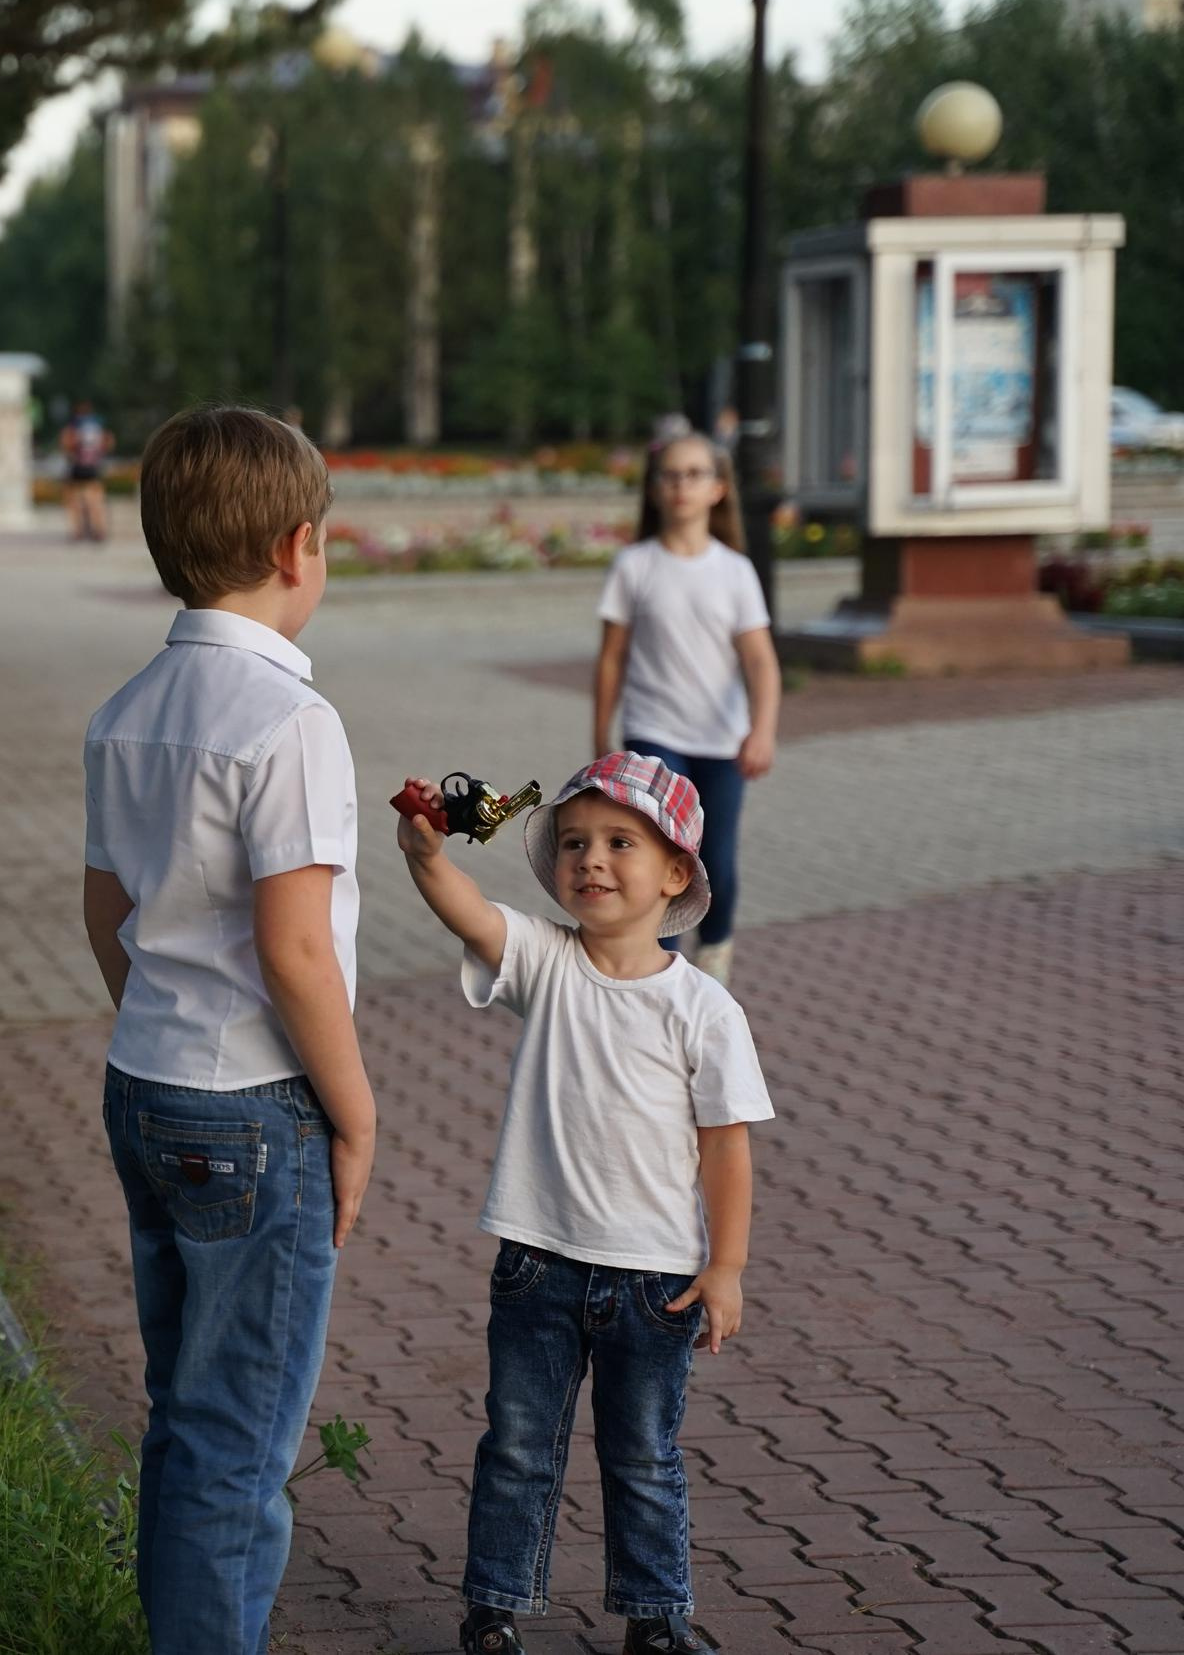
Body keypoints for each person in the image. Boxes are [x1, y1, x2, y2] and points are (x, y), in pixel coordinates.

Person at [82, 404, 374, 1655]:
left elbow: (108, 914)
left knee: (184, 1410)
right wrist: (354, 1116)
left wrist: (158, 1029)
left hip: (144, 1082)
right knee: (240, 1438)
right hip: (256, 1106)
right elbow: (295, 950)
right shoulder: (290, 722)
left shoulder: (128, 707)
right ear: (299, 546)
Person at [398, 751, 773, 1655]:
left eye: (619, 843)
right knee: (519, 1445)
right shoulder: (543, 959)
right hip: (539, 1262)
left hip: (658, 1279)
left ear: (676, 871)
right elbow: (473, 914)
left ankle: (655, 1618)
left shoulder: (704, 1011)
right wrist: (423, 857)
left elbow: (727, 1146)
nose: (591, 860)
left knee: (642, 1456)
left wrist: (726, 1266)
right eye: (574, 843)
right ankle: (493, 1607)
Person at [592, 433, 781, 986]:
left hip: (723, 741)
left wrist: (762, 731)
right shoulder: (633, 565)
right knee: (660, 857)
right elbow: (611, 660)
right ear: (654, 489)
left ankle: (716, 945)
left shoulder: (734, 571)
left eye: (695, 474)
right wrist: (601, 736)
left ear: (719, 489)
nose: (682, 485)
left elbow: (761, 663)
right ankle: (662, 968)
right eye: (671, 475)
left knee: (714, 862)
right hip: (655, 734)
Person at [60, 399, 114, 543]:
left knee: (75, 501)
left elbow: (66, 444)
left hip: (77, 468)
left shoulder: (73, 425)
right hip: (94, 468)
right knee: (96, 502)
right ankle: (99, 530)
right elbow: (109, 441)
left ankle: (78, 531)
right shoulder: (98, 426)